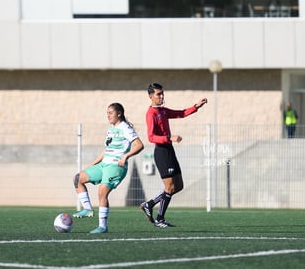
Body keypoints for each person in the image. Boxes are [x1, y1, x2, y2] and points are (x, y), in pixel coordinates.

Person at [140, 83, 208, 228]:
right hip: (161, 152)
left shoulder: (163, 111)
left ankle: (149, 204)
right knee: (170, 187)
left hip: (169, 150)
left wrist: (196, 106)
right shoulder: (151, 113)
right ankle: (159, 219)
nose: (162, 96)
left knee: (179, 186)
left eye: (162, 93)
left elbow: (181, 113)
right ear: (151, 96)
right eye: (158, 94)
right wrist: (169, 138)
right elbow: (151, 137)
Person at [72, 102, 144, 233]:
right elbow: (107, 150)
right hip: (104, 164)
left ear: (119, 114)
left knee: (102, 192)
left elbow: (139, 145)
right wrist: (93, 163)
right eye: (107, 113)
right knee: (78, 178)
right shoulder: (110, 130)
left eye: (110, 113)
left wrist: (125, 156)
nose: (108, 116)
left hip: (116, 166)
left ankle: (102, 226)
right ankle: (88, 209)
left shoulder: (125, 128)